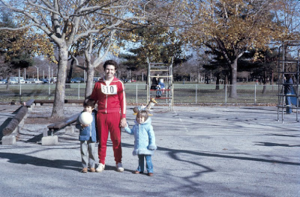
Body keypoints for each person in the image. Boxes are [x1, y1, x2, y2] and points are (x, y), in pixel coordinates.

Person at [90, 60, 127, 172]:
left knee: (116, 140)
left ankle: (118, 162)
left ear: (115, 71)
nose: (109, 71)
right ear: (104, 70)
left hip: (115, 115)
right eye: (107, 69)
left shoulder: (119, 83)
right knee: (102, 140)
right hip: (101, 115)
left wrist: (123, 117)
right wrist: (88, 109)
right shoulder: (98, 83)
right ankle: (101, 162)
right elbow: (93, 98)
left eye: (111, 69)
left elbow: (123, 101)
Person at [124, 109, 157, 176]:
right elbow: (131, 132)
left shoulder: (148, 126)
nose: (139, 119)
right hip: (139, 146)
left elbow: (152, 136)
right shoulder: (136, 126)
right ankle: (140, 169)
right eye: (138, 117)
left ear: (145, 118)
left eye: (141, 118)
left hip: (147, 147)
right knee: (140, 159)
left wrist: (152, 144)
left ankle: (150, 170)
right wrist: (126, 127)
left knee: (148, 159)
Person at [75, 99, 98, 173]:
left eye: (88, 107)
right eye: (85, 107)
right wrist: (82, 126)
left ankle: (92, 166)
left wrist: (98, 136)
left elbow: (97, 126)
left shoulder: (95, 115)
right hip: (83, 136)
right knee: (84, 152)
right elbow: (77, 125)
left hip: (92, 137)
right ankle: (84, 166)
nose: (86, 109)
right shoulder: (81, 115)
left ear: (92, 108)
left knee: (92, 152)